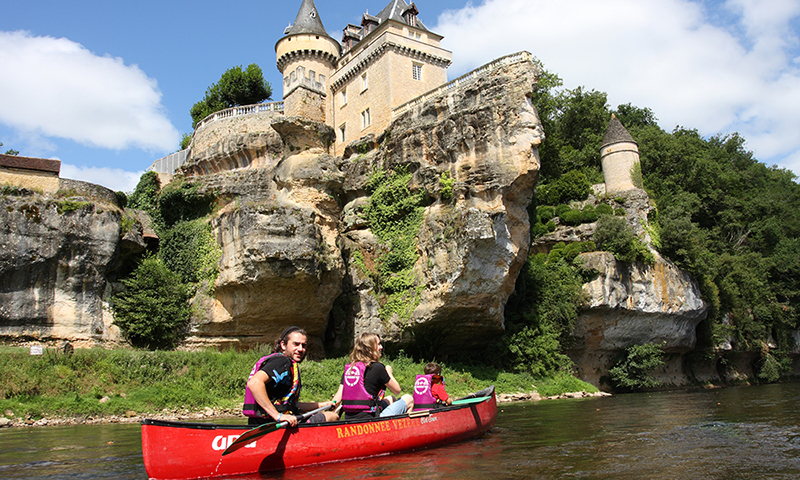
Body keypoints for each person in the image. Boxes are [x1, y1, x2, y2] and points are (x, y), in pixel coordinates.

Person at [243, 326, 339, 426]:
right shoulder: (282, 362)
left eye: (304, 345)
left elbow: (290, 405)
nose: (301, 349)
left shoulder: (279, 361)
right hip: (272, 424)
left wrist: (324, 405)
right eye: (296, 344)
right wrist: (277, 416)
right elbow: (254, 383)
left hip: (263, 423)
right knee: (332, 417)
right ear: (283, 345)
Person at [332, 332, 414, 419]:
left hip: (350, 419)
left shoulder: (350, 370)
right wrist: (389, 373)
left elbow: (336, 400)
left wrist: (330, 407)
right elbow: (397, 390)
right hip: (371, 419)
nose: (381, 347)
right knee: (409, 399)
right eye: (378, 344)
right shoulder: (378, 368)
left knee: (391, 399)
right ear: (370, 348)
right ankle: (403, 430)